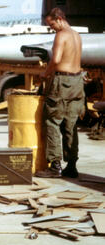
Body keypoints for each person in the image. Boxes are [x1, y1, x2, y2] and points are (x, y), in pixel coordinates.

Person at [36, 8, 84, 178]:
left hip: (61, 83)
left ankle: (54, 166)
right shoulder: (76, 35)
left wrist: (45, 73)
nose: (52, 28)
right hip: (77, 83)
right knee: (71, 125)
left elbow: (56, 60)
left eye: (52, 24)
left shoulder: (61, 35)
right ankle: (71, 166)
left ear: (59, 18)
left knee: (52, 122)